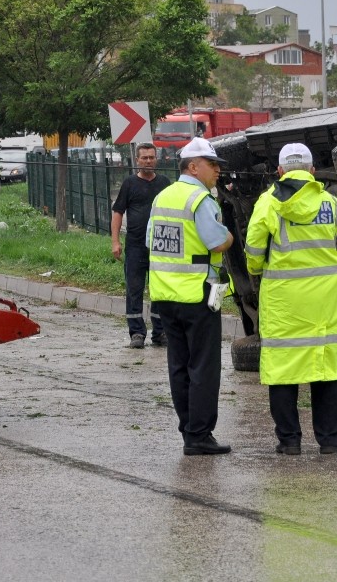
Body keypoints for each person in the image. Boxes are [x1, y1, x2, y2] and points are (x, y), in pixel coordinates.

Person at [244, 143, 337, 455]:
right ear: (312, 170)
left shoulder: (268, 203)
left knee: (283, 369)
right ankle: (329, 441)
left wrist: (256, 269)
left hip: (284, 302)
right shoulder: (330, 202)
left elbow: (253, 248)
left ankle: (289, 442)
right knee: (326, 368)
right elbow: (335, 237)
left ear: (279, 171)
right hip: (326, 300)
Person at [147, 137, 234, 456]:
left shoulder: (163, 197)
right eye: (213, 165)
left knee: (179, 366)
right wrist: (229, 237)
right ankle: (199, 434)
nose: (217, 171)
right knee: (204, 367)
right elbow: (215, 242)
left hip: (164, 295)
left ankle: (188, 430)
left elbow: (150, 242)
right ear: (193, 166)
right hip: (197, 294)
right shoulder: (201, 200)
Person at [111, 142, 171, 349]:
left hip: (160, 247)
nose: (148, 161)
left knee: (159, 291)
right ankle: (136, 333)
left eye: (151, 157)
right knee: (134, 290)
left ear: (156, 159)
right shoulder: (129, 184)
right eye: (144, 158)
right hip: (135, 246)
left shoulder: (165, 183)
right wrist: (115, 241)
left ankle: (160, 332)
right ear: (137, 160)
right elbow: (118, 212)